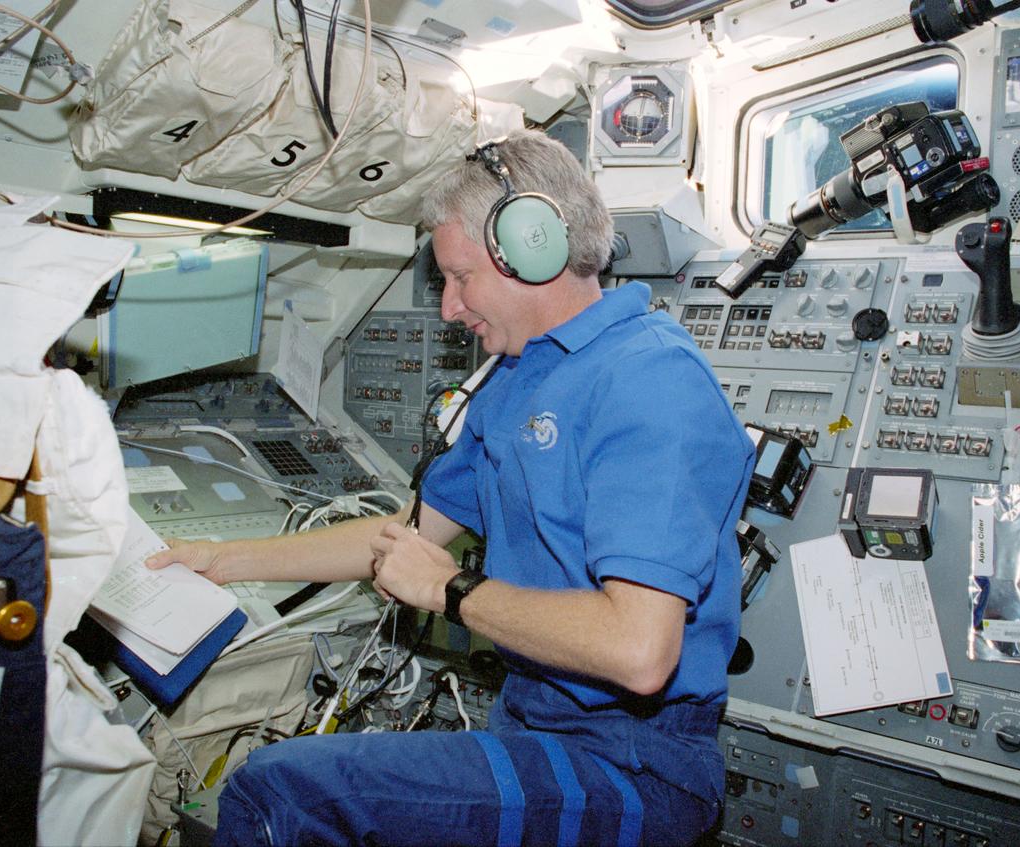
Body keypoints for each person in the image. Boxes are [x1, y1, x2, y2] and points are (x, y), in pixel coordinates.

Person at [147, 129, 755, 846]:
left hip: (633, 760)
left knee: (281, 790)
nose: (449, 308)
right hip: (532, 717)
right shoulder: (522, 377)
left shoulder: (649, 380)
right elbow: (407, 531)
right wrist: (224, 559)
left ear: (535, 247)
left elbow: (639, 651)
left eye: (461, 278)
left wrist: (451, 591)